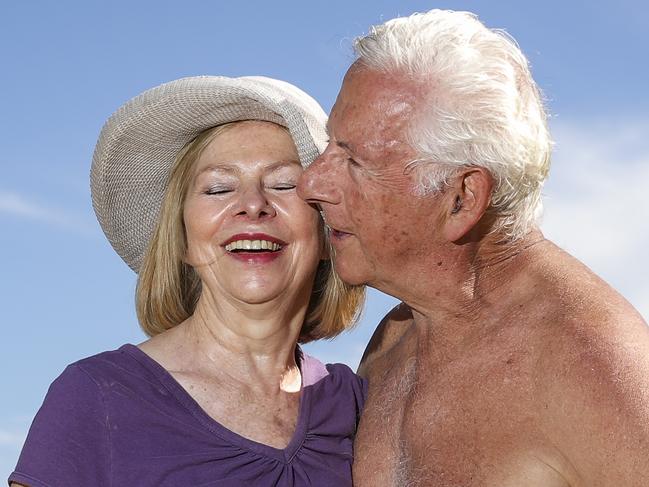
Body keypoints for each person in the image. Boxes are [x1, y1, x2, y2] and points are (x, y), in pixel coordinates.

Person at [297, 9, 649, 487]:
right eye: (328, 147)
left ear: (462, 199)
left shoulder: (598, 365)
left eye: (354, 161)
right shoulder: (394, 338)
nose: (311, 182)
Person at [9, 76, 366, 486]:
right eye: (218, 188)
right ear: (182, 240)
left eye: (284, 184)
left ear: (325, 231)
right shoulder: (97, 396)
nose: (252, 205)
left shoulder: (353, 401)